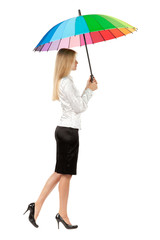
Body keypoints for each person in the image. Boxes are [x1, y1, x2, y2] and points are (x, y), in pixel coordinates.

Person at [23, 48, 98, 229]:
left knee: (64, 173)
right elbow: (80, 107)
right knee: (62, 173)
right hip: (68, 132)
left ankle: (54, 211)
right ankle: (47, 208)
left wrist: (87, 88)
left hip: (66, 130)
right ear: (66, 62)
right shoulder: (66, 82)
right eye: (74, 60)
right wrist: (89, 90)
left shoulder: (66, 81)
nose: (77, 63)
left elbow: (75, 105)